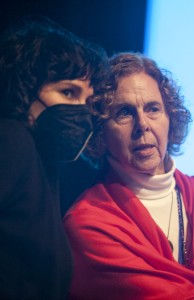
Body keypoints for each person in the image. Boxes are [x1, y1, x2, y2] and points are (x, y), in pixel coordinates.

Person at [63, 52, 194, 299]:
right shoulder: (88, 222)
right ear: (100, 131)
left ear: (170, 118)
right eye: (125, 113)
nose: (143, 125)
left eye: (153, 109)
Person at [0, 15, 107, 299]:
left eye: (88, 102)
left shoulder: (44, 164)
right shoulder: (12, 139)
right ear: (25, 86)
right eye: (68, 92)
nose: (81, 111)